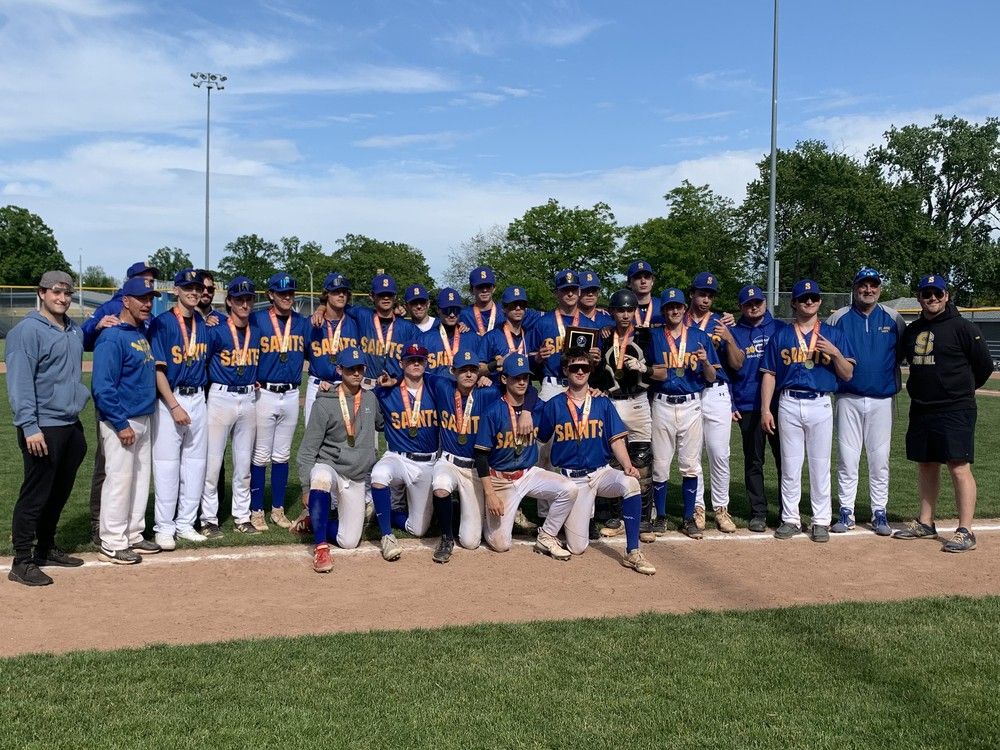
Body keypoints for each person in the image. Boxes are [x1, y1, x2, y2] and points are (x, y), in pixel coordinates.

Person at [893, 274, 993, 552]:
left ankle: (966, 530)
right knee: (926, 464)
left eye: (938, 293)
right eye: (927, 294)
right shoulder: (913, 330)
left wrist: (960, 391)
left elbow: (983, 367)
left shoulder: (963, 327)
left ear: (947, 295)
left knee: (958, 466)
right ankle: (926, 523)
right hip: (922, 408)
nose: (932, 298)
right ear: (920, 297)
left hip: (955, 409)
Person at [6, 271, 91, 586]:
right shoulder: (26, 332)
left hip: (70, 424)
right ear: (41, 293)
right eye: (56, 292)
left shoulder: (72, 330)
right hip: (42, 427)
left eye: (67, 293)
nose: (63, 298)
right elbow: (19, 384)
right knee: (35, 493)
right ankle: (22, 561)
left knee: (59, 491)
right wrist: (30, 426)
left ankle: (46, 546)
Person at [538, 348, 655, 575]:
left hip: (601, 473)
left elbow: (617, 440)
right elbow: (542, 441)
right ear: (565, 371)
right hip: (572, 481)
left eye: (585, 367)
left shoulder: (602, 403)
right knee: (577, 547)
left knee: (630, 483)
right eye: (574, 367)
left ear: (591, 370)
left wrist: (628, 465)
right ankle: (555, 527)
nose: (580, 371)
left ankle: (633, 551)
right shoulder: (554, 404)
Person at [761, 279, 855, 543]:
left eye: (813, 298)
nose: (809, 302)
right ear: (794, 302)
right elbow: (769, 374)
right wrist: (765, 409)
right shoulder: (781, 335)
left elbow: (847, 374)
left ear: (820, 302)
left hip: (820, 401)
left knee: (819, 464)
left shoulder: (833, 334)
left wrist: (835, 353)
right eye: (803, 299)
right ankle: (790, 519)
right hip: (788, 402)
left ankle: (821, 520)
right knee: (790, 465)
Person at [82, 260, 159, 545]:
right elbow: (102, 387)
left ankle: (134, 533)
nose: (147, 303)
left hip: (143, 417)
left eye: (150, 298)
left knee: (139, 481)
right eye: (141, 298)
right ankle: (113, 540)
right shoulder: (111, 335)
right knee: (118, 480)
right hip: (122, 420)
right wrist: (120, 422)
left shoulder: (139, 333)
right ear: (125, 300)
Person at [475, 352, 578, 560]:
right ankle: (489, 517)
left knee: (569, 489)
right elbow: (480, 456)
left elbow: (562, 403)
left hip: (528, 474)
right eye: (516, 377)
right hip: (500, 480)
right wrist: (490, 494)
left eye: (525, 377)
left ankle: (547, 535)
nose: (522, 382)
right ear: (504, 379)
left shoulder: (537, 407)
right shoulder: (493, 411)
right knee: (500, 545)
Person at [826, 267, 905, 535]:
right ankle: (846, 511)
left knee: (879, 458)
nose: (868, 290)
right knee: (847, 458)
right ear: (855, 288)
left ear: (880, 289)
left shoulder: (893, 318)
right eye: (863, 285)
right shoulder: (839, 318)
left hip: (882, 398)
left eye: (873, 285)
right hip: (848, 396)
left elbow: (903, 353)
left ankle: (879, 511)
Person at [298, 346, 383, 572]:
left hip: (355, 477)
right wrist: (306, 487)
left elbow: (383, 424)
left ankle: (314, 522)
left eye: (359, 368)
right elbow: (307, 450)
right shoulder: (324, 402)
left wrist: (391, 390)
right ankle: (321, 548)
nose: (356, 373)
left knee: (349, 541)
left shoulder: (370, 399)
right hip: (332, 468)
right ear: (339, 370)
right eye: (350, 369)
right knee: (320, 477)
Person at [646, 288, 721, 538]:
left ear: (684, 308)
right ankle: (662, 516)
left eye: (678, 306)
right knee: (660, 465)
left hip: (691, 403)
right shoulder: (655, 336)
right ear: (664, 311)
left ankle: (689, 518)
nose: (675, 310)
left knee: (690, 465)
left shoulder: (699, 336)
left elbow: (711, 377)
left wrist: (705, 362)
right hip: (663, 402)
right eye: (670, 307)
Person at [147, 268, 210, 549]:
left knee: (196, 466)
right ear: (176, 290)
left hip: (198, 399)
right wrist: (173, 406)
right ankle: (164, 526)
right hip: (170, 400)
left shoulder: (203, 323)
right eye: (188, 288)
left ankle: (185, 523)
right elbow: (157, 370)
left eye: (197, 288)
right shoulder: (162, 323)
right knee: (167, 467)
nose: (193, 292)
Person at [249, 272, 311, 530]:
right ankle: (256, 510)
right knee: (261, 454)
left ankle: (277, 509)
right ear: (270, 295)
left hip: (291, 393)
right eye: (281, 293)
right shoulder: (258, 319)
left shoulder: (301, 322)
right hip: (265, 392)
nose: (287, 297)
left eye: (290, 293)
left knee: (282, 454)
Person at [590, 289, 653, 540]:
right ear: (612, 312)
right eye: (620, 310)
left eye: (629, 310)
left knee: (642, 460)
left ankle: (644, 520)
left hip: (637, 400)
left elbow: (661, 371)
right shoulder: (604, 336)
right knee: (615, 461)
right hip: (612, 401)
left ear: (635, 311)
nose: (625, 314)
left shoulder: (647, 336)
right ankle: (616, 517)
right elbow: (596, 375)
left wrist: (644, 368)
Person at [200, 276, 261, 537]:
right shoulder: (216, 330)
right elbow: (201, 361)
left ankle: (242, 515)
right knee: (212, 463)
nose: (245, 304)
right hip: (221, 397)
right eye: (239, 299)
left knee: (243, 464)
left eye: (248, 299)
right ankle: (208, 519)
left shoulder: (256, 330)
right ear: (229, 302)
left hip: (248, 398)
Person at [428, 349, 501, 562]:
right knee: (441, 487)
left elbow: (523, 390)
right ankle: (446, 537)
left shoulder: (488, 393)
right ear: (453, 371)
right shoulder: (443, 387)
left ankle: (456, 510)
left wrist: (491, 376)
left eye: (473, 370)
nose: (468, 374)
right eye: (463, 370)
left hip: (476, 469)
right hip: (449, 461)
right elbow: (417, 373)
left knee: (470, 542)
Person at [370, 343, 440, 560]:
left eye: (420, 359)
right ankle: (386, 536)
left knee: (418, 529)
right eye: (411, 360)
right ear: (402, 364)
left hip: (427, 462)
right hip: (398, 457)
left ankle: (384, 513)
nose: (416, 363)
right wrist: (380, 384)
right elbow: (357, 395)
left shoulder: (436, 386)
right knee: (379, 474)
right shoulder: (387, 390)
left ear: (426, 363)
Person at [686, 272, 743, 533]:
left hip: (717, 391)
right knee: (693, 455)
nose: (706, 298)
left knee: (720, 454)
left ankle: (721, 508)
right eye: (701, 293)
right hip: (691, 391)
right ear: (692, 294)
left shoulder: (722, 323)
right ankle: (697, 507)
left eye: (710, 294)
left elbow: (738, 363)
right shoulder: (677, 318)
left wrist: (729, 337)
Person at [728, 284, 784, 532]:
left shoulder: (781, 328)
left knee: (787, 460)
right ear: (741, 307)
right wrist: (731, 402)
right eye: (748, 304)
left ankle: (788, 511)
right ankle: (758, 512)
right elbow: (727, 371)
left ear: (765, 303)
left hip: (781, 403)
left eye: (758, 302)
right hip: (748, 403)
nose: (754, 307)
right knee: (753, 461)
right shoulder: (734, 331)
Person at [530, 270, 602, 402]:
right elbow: (528, 358)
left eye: (573, 289)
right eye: (565, 290)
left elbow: (596, 366)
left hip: (581, 385)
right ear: (556, 293)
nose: (570, 294)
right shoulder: (542, 323)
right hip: (552, 384)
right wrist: (537, 357)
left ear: (579, 291)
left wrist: (596, 361)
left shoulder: (590, 325)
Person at [304, 273, 359, 424]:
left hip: (346, 386)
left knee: (346, 436)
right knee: (313, 438)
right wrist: (320, 309)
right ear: (326, 295)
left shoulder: (355, 323)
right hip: (317, 386)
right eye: (335, 291)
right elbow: (303, 353)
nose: (341, 295)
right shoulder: (311, 324)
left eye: (344, 292)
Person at [354, 273, 418, 387]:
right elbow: (338, 306)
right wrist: (321, 308)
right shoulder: (363, 315)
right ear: (372, 296)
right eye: (381, 294)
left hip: (395, 386)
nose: (386, 298)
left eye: (389, 294)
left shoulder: (407, 327)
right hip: (366, 386)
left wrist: (459, 325)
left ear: (395, 297)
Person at [421, 287, 482, 378]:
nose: (452, 315)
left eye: (455, 310)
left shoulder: (473, 338)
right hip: (435, 391)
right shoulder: (425, 339)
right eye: (447, 310)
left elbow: (482, 367)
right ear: (438, 310)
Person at [461, 266, 504, 335]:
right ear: (471, 290)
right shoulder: (464, 315)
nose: (485, 290)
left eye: (488, 286)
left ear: (494, 288)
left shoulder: (505, 312)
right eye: (480, 287)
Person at [626, 260, 660, 328]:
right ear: (629, 283)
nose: (643, 281)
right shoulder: (622, 308)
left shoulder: (663, 305)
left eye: (647, 277)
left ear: (652, 281)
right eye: (638, 277)